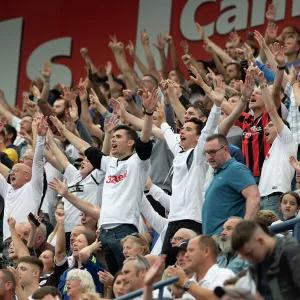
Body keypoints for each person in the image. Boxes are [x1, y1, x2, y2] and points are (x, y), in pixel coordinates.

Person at [50, 87, 158, 274]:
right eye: (112, 137)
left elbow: (146, 136)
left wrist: (148, 113)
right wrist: (63, 130)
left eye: (118, 137)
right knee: (115, 283)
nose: (113, 140)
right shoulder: (109, 163)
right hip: (104, 233)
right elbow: (85, 147)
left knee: (131, 278)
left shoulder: (139, 162)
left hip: (125, 232)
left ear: (131, 142)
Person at [158, 87, 223, 266]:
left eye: (188, 129)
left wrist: (217, 106)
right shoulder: (180, 152)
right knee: (166, 266)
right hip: (173, 220)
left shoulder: (198, 156)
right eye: (182, 129)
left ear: (198, 137)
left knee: (189, 265)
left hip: (192, 219)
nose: (182, 132)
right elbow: (170, 136)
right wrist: (163, 121)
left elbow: (209, 129)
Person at [257, 55, 297, 214]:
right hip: (263, 199)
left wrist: (262, 85)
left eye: (271, 125)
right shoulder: (272, 149)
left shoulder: (287, 140)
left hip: (276, 197)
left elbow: (272, 110)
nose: (266, 128)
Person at [0, 117, 47, 242]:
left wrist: (40, 137)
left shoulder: (34, 187)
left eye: (16, 171)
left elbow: (37, 161)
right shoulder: (7, 189)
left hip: (25, 239)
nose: (11, 174)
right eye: (11, 171)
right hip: (7, 242)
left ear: (27, 175)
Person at [203, 134, 260, 236]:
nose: (209, 157)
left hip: (227, 240)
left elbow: (254, 197)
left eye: (212, 152)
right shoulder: (218, 173)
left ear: (225, 150)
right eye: (207, 152)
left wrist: (245, 231)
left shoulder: (236, 169)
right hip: (214, 241)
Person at [231, 220, 300, 299]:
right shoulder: (256, 258)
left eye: (249, 253)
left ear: (260, 241)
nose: (248, 259)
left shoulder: (291, 251)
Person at [168, 235, 235, 300]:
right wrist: (177, 296)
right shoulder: (190, 282)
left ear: (206, 251)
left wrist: (185, 283)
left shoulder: (224, 274)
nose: (186, 255)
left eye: (191, 250)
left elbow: (217, 298)